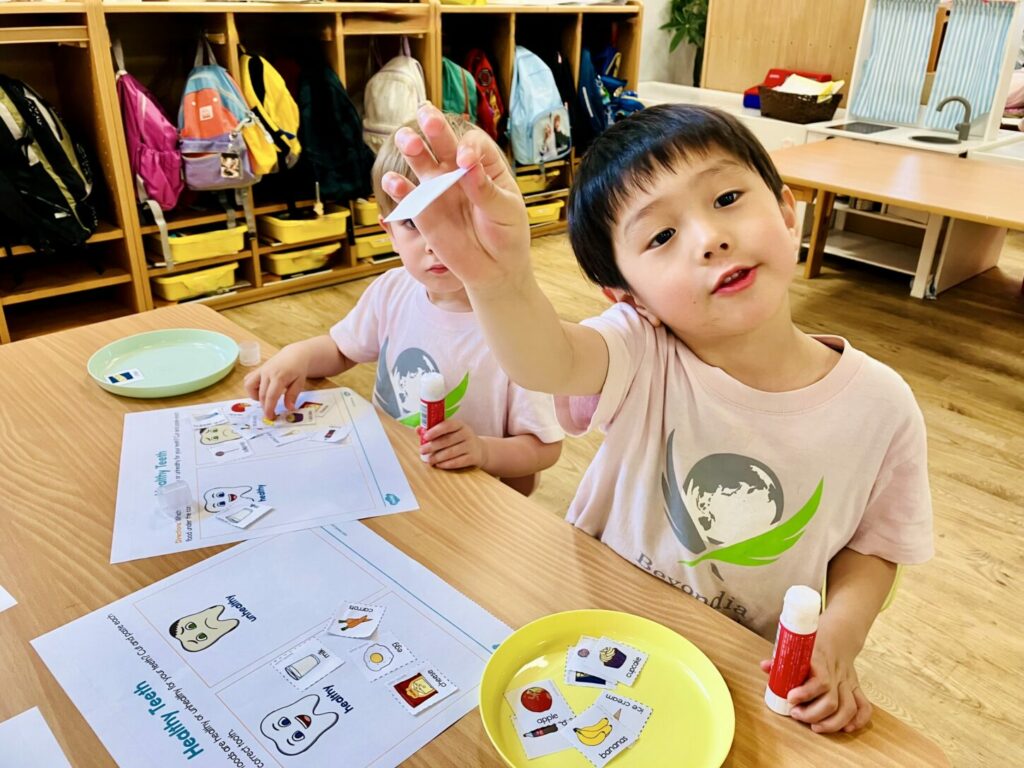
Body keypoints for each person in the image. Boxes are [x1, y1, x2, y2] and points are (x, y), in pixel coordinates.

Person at [382, 102, 933, 733]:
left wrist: (837, 639)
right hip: (590, 625)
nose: (709, 238)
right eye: (662, 236)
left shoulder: (882, 406)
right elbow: (547, 360)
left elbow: (874, 546)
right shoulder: (641, 349)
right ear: (627, 296)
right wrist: (500, 282)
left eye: (727, 198)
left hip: (735, 668)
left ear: (787, 212)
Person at [244, 113, 563, 496]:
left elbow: (544, 447)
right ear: (390, 233)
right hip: (393, 475)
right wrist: (296, 356)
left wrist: (482, 451)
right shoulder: (392, 290)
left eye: (459, 215)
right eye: (413, 222)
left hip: (468, 498)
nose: (435, 241)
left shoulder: (517, 326)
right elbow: (341, 349)